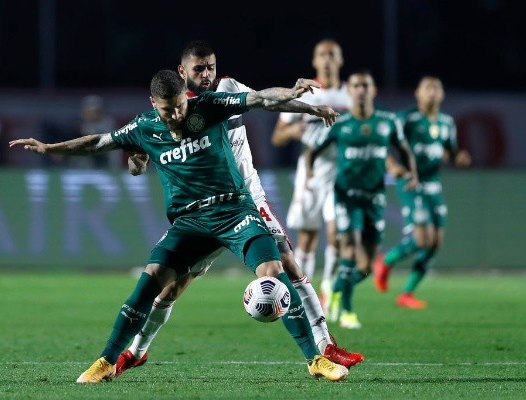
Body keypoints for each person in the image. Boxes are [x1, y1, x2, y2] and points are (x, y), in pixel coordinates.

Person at [10, 69, 350, 383]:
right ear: (153, 104)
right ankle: (107, 360)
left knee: (273, 269)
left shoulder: (209, 107)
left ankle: (316, 360)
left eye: (178, 107)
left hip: (234, 211)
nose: (174, 115)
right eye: (166, 110)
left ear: (185, 97)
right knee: (152, 279)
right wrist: (48, 148)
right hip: (189, 223)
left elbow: (260, 98)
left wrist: (295, 96)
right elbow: (99, 142)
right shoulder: (145, 127)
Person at [115, 40, 363, 378]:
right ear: (182, 72)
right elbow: (139, 158)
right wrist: (137, 162)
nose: (207, 74)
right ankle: (136, 350)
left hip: (247, 201)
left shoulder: (227, 91)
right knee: (172, 286)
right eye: (199, 69)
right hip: (201, 212)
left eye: (211, 67)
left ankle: (324, 346)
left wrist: (307, 106)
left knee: (286, 260)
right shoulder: (171, 113)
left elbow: (265, 101)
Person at [304, 70, 418, 329]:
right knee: (350, 249)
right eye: (356, 85)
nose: (361, 90)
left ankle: (336, 287)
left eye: (366, 85)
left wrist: (411, 173)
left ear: (373, 90)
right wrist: (310, 173)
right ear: (350, 91)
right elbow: (313, 149)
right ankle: (347, 311)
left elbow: (404, 150)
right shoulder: (340, 123)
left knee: (366, 266)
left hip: (375, 198)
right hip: (346, 196)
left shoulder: (387, 122)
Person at [373, 76, 471, 308]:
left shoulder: (447, 122)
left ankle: (406, 293)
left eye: (437, 88)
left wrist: (459, 157)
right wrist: (393, 166)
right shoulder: (407, 118)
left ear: (443, 94)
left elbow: (449, 151)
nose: (432, 92)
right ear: (417, 94)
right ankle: (385, 261)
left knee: (435, 242)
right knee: (422, 238)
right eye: (427, 88)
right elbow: (380, 142)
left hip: (433, 185)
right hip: (410, 182)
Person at [270, 39, 351, 317]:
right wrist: (294, 131)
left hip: (341, 176)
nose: (327, 59)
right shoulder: (307, 94)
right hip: (311, 176)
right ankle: (306, 293)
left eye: (332, 54)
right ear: (315, 61)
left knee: (338, 235)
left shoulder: (349, 96)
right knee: (307, 239)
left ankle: (329, 288)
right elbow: (277, 137)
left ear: (340, 60)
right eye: (322, 55)